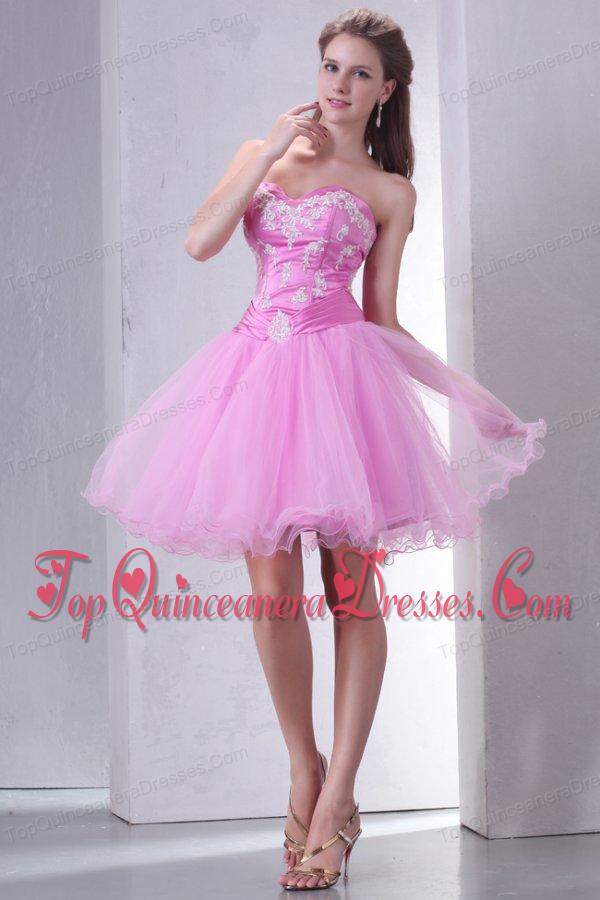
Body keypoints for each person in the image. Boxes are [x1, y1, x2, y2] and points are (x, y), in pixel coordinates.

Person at [81, 8, 547, 892]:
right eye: (332, 66)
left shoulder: (390, 192)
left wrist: (471, 400)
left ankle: (336, 802)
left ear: (386, 90)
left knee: (354, 595)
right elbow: (199, 242)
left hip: (344, 391)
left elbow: (384, 322)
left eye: (360, 72)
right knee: (271, 595)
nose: (339, 84)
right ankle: (303, 768)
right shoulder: (262, 155)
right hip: (254, 385)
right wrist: (265, 152)